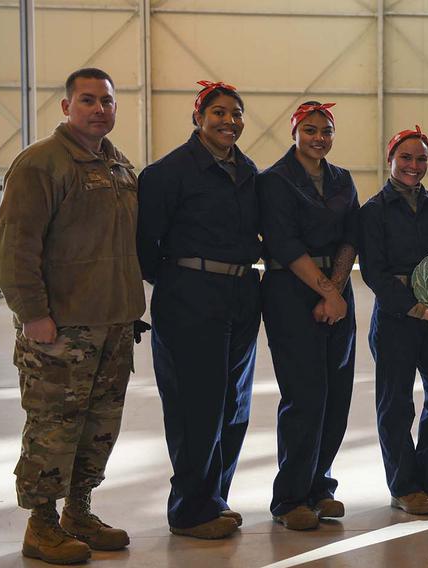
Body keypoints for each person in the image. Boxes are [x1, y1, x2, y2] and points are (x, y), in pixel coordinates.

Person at [0, 67, 144, 564]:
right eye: (87, 100)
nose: (99, 108)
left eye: (107, 100)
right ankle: (40, 525)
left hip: (114, 322)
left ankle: (78, 511)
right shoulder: (42, 163)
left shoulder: (119, 166)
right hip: (62, 328)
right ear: (66, 107)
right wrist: (33, 313)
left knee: (99, 424)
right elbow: (15, 245)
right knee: (54, 425)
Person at [137, 81, 261, 539]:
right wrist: (180, 282)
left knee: (233, 406)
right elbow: (145, 246)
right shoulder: (167, 173)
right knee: (196, 409)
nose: (229, 120)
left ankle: (214, 499)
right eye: (218, 112)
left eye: (236, 112)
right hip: (190, 297)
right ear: (198, 117)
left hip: (241, 296)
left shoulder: (247, 171)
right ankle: (189, 510)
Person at [257, 102, 359, 530]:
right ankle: (290, 498)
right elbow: (283, 242)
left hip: (335, 291)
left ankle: (320, 487)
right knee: (306, 395)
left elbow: (353, 235)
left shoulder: (342, 179)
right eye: (311, 129)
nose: (319, 137)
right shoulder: (275, 181)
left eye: (327, 130)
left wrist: (335, 292)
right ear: (294, 131)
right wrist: (325, 292)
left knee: (337, 396)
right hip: (290, 291)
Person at [358, 125, 428, 515]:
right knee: (396, 402)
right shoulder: (373, 212)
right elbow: (374, 272)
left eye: (420, 159)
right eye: (406, 157)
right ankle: (404, 486)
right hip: (398, 318)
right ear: (391, 159)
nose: (413, 165)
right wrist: (416, 307)